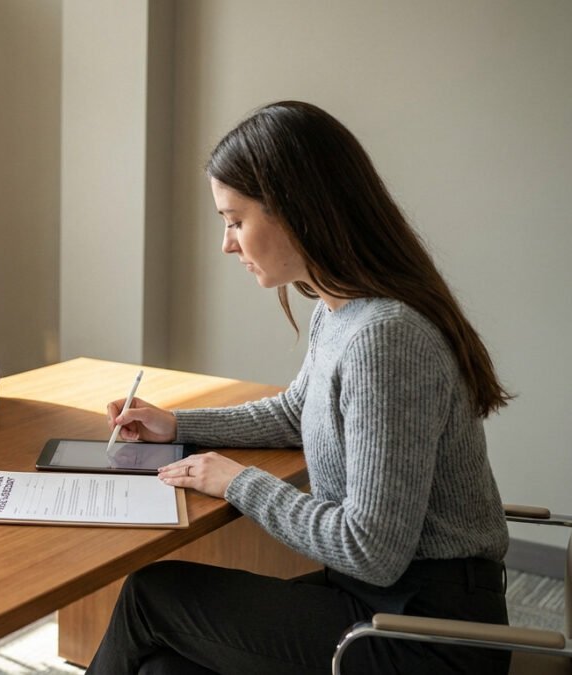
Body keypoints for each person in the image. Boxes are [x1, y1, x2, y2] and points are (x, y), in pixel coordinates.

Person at [87, 101, 512, 674]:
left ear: (296, 210)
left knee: (149, 596)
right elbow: (297, 412)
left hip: (429, 631)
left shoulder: (386, 338)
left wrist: (239, 482)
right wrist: (178, 425)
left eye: (236, 221)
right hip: (375, 600)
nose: (227, 244)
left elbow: (372, 549)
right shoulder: (338, 310)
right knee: (166, 666)